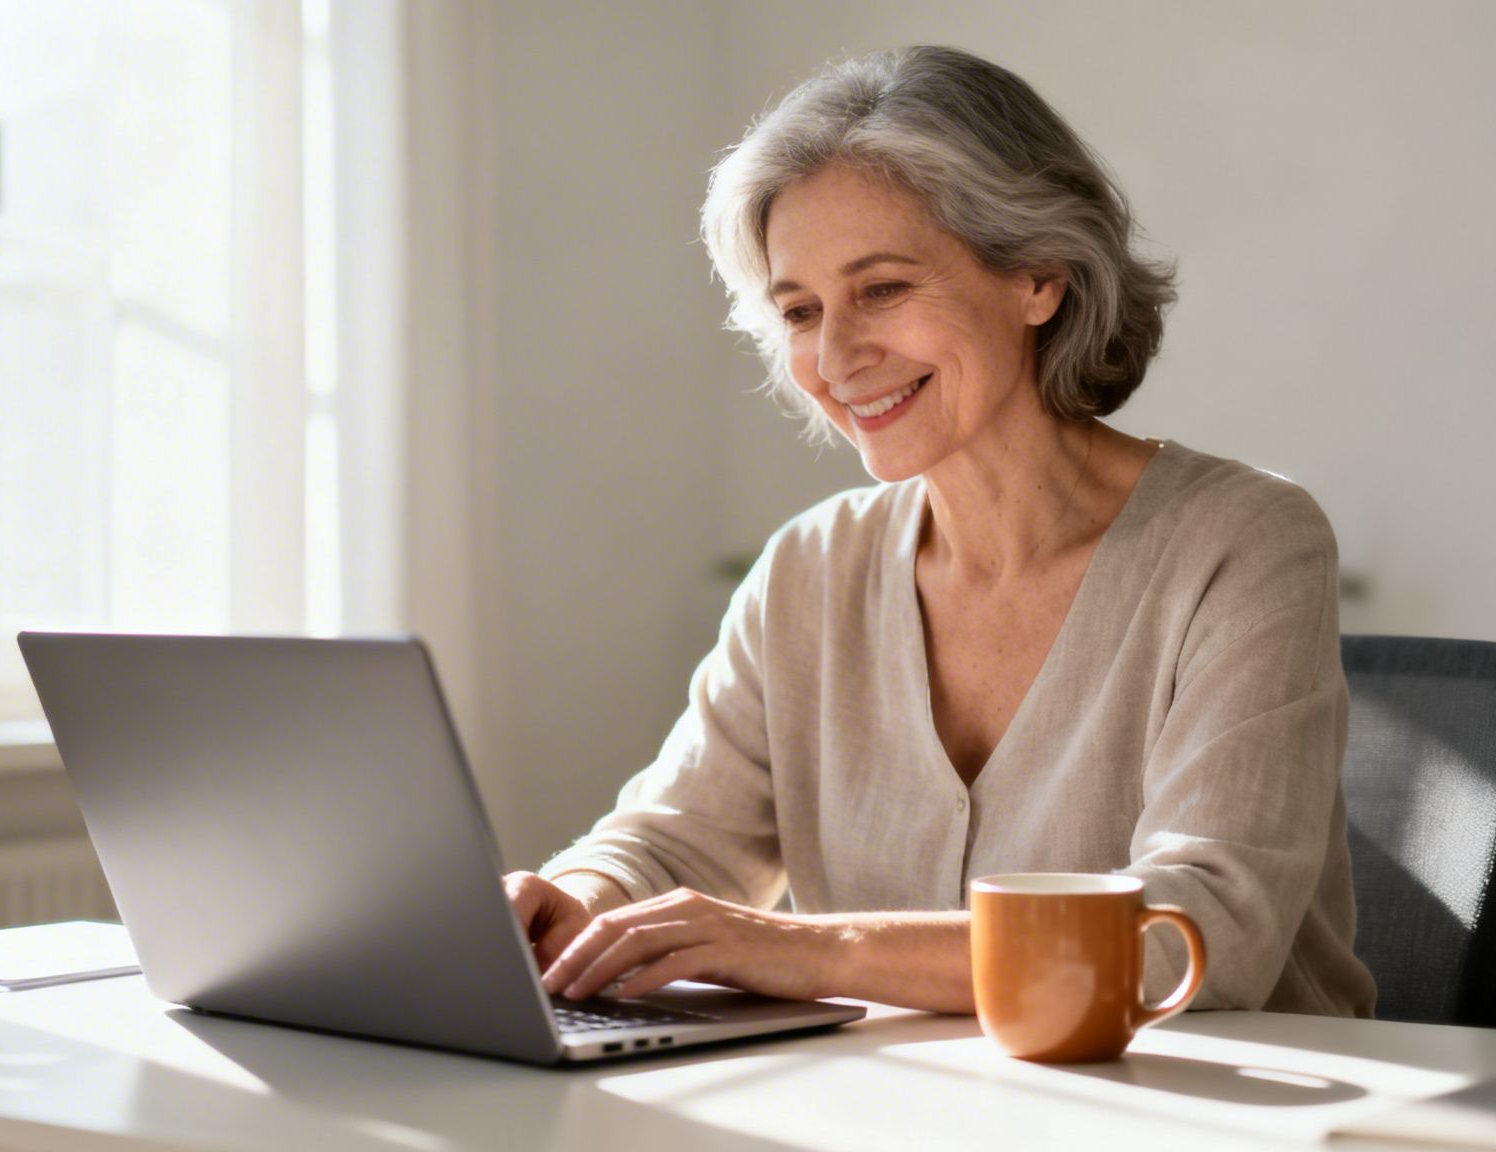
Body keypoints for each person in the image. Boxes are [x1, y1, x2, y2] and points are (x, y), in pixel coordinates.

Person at [506, 45, 1376, 1017]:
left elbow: (1187, 941)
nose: (835, 356)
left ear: (1037, 277)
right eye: (799, 310)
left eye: (881, 289)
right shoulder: (808, 571)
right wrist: (568, 901)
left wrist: (807, 948)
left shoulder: (1241, 543)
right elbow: (669, 845)